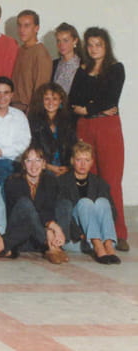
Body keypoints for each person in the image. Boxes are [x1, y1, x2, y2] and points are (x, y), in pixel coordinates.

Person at [69, 27, 127, 251]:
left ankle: (118, 233)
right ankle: (90, 232)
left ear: (106, 46)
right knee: (86, 177)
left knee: (111, 179)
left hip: (107, 127)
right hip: (85, 127)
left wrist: (88, 107)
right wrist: (94, 107)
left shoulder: (115, 68)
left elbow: (110, 99)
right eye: (90, 45)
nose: (94, 49)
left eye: (98, 45)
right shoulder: (83, 70)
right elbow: (74, 100)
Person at [56, 142, 121, 264]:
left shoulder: (99, 182)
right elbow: (62, 214)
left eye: (87, 160)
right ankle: (97, 246)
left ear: (92, 162)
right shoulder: (62, 182)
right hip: (77, 238)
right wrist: (81, 235)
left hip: (101, 235)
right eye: (79, 160)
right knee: (85, 202)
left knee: (103, 202)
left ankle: (109, 246)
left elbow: (112, 212)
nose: (83, 164)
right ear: (72, 161)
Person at [3, 146, 68, 264]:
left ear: (44, 164)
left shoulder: (50, 181)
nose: (33, 165)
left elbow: (48, 209)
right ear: (23, 165)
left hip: (41, 235)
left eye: (38, 160)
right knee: (25, 203)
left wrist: (54, 228)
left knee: (64, 204)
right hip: (23, 236)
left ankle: (56, 244)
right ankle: (51, 247)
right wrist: (52, 228)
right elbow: (31, 209)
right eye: (29, 161)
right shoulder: (12, 182)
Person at [28, 82, 77, 176]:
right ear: (41, 101)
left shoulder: (68, 121)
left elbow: (73, 148)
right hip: (41, 168)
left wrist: (68, 167)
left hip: (65, 169)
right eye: (47, 99)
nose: (51, 103)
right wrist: (48, 167)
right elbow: (31, 149)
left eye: (55, 99)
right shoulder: (33, 121)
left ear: (60, 101)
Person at [11, 10, 52, 113]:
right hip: (14, 107)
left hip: (28, 110)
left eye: (27, 26)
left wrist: (32, 113)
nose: (22, 30)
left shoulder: (41, 53)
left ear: (36, 28)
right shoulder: (20, 50)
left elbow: (41, 88)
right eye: (19, 25)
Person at [51, 22, 82, 95]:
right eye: (58, 41)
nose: (61, 44)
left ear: (75, 41)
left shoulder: (83, 65)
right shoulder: (53, 64)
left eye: (65, 40)